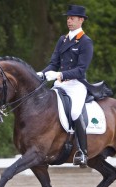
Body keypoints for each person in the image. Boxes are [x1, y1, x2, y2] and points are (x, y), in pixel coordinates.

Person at [37, 5, 93, 168]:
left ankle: (83, 152)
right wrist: (42, 73)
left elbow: (81, 69)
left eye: (72, 18)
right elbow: (54, 63)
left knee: (75, 112)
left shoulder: (85, 42)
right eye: (68, 18)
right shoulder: (62, 39)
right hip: (60, 85)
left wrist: (60, 74)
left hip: (77, 85)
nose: (69, 21)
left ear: (81, 20)